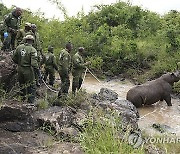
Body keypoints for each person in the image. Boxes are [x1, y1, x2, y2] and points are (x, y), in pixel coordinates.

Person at [12, 35, 39, 104]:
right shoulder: (32, 50)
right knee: (31, 86)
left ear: (25, 40)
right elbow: (34, 64)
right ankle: (30, 103)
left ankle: (22, 100)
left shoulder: (19, 47)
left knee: (22, 85)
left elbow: (14, 58)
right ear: (32, 41)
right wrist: (38, 73)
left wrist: (20, 63)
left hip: (20, 69)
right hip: (28, 70)